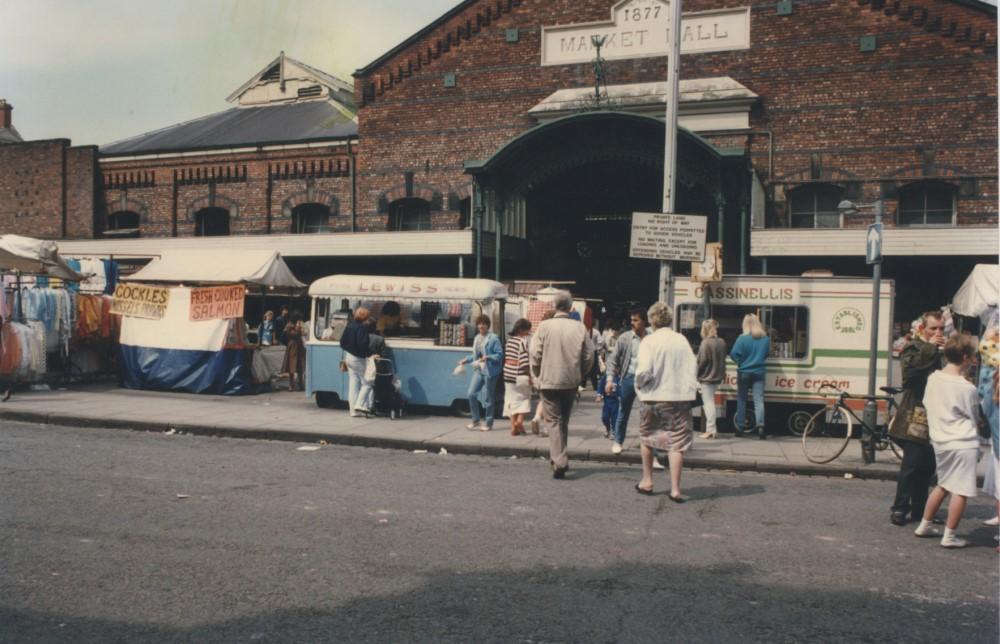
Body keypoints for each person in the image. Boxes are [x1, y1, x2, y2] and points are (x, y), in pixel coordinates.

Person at [913, 334, 985, 548]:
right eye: (973, 356)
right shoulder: (967, 388)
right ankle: (950, 536)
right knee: (961, 491)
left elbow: (927, 403)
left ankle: (924, 525)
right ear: (965, 358)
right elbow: (975, 416)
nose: (975, 359)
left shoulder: (934, 378)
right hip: (963, 442)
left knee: (942, 484)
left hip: (940, 441)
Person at [633, 302, 698, 501]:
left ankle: (647, 480)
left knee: (647, 437)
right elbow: (691, 368)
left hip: (653, 397)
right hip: (679, 399)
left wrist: (640, 385)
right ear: (670, 319)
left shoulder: (649, 342)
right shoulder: (681, 340)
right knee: (677, 443)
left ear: (652, 320)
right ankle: (675, 489)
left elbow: (644, 372)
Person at [529, 290, 594, 479]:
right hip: (570, 380)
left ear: (554, 306)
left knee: (554, 422)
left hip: (549, 380)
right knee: (563, 421)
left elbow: (534, 354)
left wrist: (538, 373)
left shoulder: (543, 327)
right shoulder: (579, 327)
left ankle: (559, 461)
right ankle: (558, 456)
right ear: (570, 307)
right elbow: (589, 355)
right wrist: (581, 373)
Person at [888, 310, 945, 526]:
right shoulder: (913, 348)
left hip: (934, 416)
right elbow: (909, 377)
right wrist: (931, 347)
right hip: (914, 415)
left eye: (941, 328)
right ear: (922, 329)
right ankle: (900, 508)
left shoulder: (939, 351)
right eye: (933, 328)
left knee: (927, 467)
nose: (938, 332)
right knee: (911, 466)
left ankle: (921, 510)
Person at [605, 308, 649, 454]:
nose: (632, 323)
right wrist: (610, 380)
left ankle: (649, 448)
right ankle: (618, 441)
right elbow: (613, 360)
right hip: (628, 378)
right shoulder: (625, 338)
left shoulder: (651, 337)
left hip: (646, 381)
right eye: (631, 320)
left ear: (644, 321)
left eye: (636, 320)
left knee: (648, 414)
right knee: (623, 411)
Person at [458, 314, 503, 431]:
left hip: (491, 372)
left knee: (489, 398)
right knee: (471, 394)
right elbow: (476, 356)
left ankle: (488, 423)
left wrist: (488, 357)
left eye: (484, 324)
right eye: (479, 323)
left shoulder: (493, 338)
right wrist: (466, 360)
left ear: (488, 325)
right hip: (479, 370)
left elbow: (499, 355)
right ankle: (476, 420)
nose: (481, 326)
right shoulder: (477, 338)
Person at [730, 313, 770, 439]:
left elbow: (733, 354)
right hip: (759, 372)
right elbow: (766, 354)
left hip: (744, 372)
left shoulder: (742, 338)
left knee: (742, 399)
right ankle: (761, 428)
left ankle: (740, 427)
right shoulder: (765, 339)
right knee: (759, 400)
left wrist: (741, 362)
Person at [340, 307, 373, 417]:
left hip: (348, 357)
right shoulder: (361, 328)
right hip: (358, 358)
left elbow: (342, 343)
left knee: (353, 384)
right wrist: (370, 354)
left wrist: (351, 349)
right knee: (367, 382)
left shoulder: (349, 326)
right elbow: (362, 344)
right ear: (365, 317)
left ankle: (353, 411)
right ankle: (360, 404)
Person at [696, 318, 727, 439]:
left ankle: (711, 430)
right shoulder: (722, 342)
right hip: (717, 377)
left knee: (708, 403)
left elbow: (701, 362)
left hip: (707, 377)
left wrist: (696, 374)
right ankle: (712, 429)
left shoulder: (705, 343)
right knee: (710, 402)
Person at [503, 318, 533, 436]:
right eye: (527, 331)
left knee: (511, 400)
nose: (528, 333)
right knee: (525, 397)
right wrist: (529, 375)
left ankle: (513, 427)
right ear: (521, 330)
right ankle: (519, 421)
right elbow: (524, 361)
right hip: (518, 373)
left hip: (507, 374)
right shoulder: (522, 341)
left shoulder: (509, 341)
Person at [598, 325, 621, 438]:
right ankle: (608, 428)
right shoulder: (606, 376)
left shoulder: (619, 378)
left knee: (615, 417)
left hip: (616, 401)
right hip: (607, 401)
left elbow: (621, 388)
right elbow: (601, 384)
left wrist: (622, 396)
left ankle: (613, 431)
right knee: (604, 417)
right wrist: (599, 394)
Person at [280, 311, 306, 392]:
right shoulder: (289, 325)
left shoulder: (297, 325)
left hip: (299, 346)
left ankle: (300, 383)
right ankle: (291, 384)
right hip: (293, 345)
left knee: (300, 366)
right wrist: (298, 328)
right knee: (292, 365)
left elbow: (304, 333)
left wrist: (301, 329)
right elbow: (293, 334)